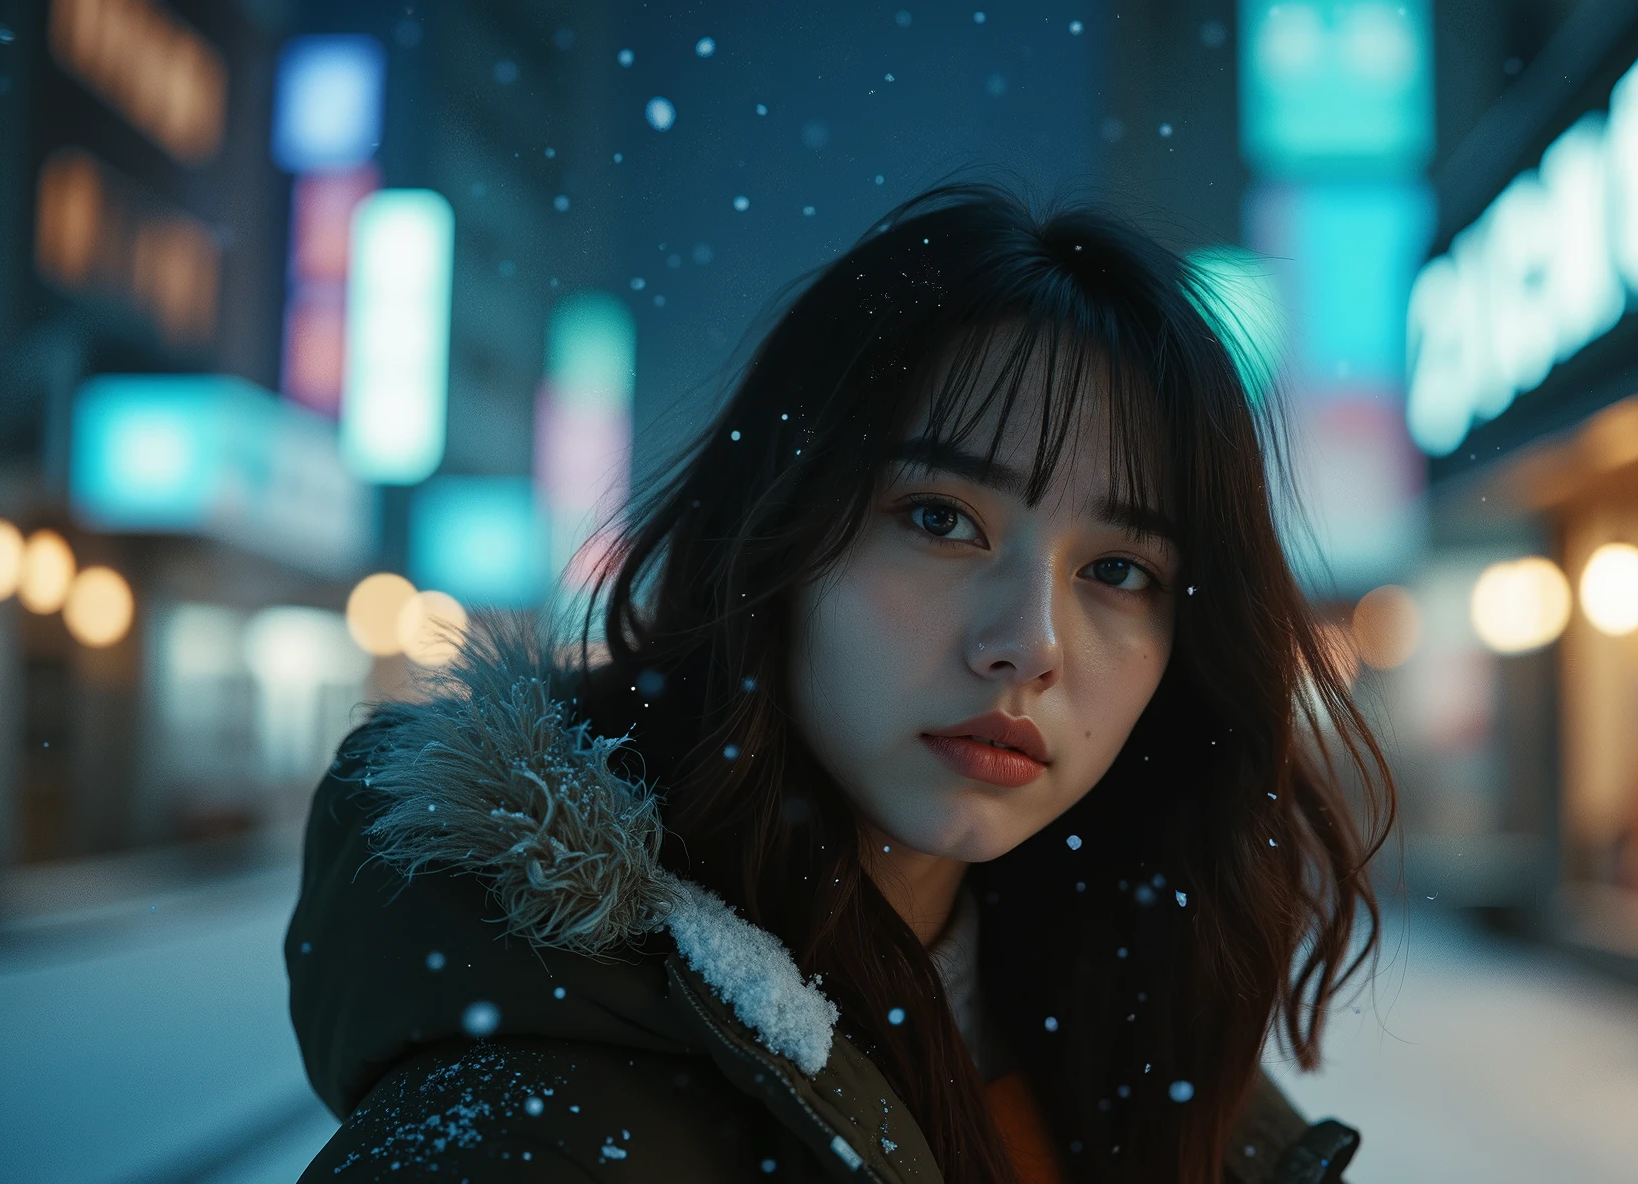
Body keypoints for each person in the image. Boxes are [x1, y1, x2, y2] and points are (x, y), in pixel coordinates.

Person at [287, 184, 1388, 1183]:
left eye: (1117, 569)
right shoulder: (528, 1136)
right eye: (941, 519)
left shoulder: (1139, 1045)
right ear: (777, 539)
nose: (1029, 643)